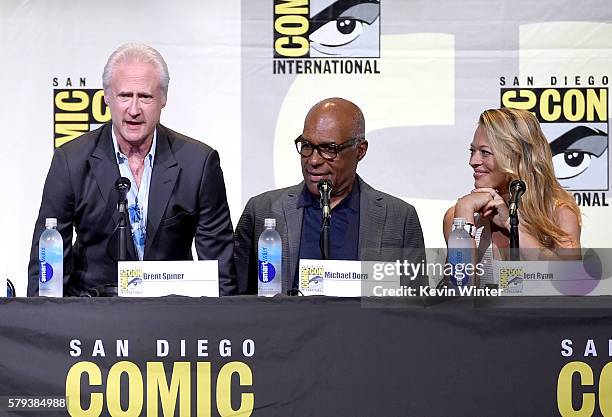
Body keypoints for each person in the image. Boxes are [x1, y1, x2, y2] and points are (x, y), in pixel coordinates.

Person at [28, 43, 236, 296]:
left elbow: (220, 269)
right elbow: (48, 263)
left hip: (172, 316)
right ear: (106, 97)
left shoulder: (199, 163)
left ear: (163, 99)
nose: (134, 109)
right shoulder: (70, 161)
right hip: (93, 318)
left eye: (145, 96)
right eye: (125, 95)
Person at [234, 97, 426, 294]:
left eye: (328, 149)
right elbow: (236, 300)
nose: (314, 160)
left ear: (360, 150)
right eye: (307, 146)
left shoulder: (398, 218)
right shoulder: (262, 210)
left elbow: (415, 306)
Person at [443, 108, 581, 282]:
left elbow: (572, 282)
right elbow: (460, 288)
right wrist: (464, 209)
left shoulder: (559, 215)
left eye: (485, 152)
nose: (473, 161)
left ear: (517, 157)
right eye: (472, 151)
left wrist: (511, 224)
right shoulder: (458, 217)